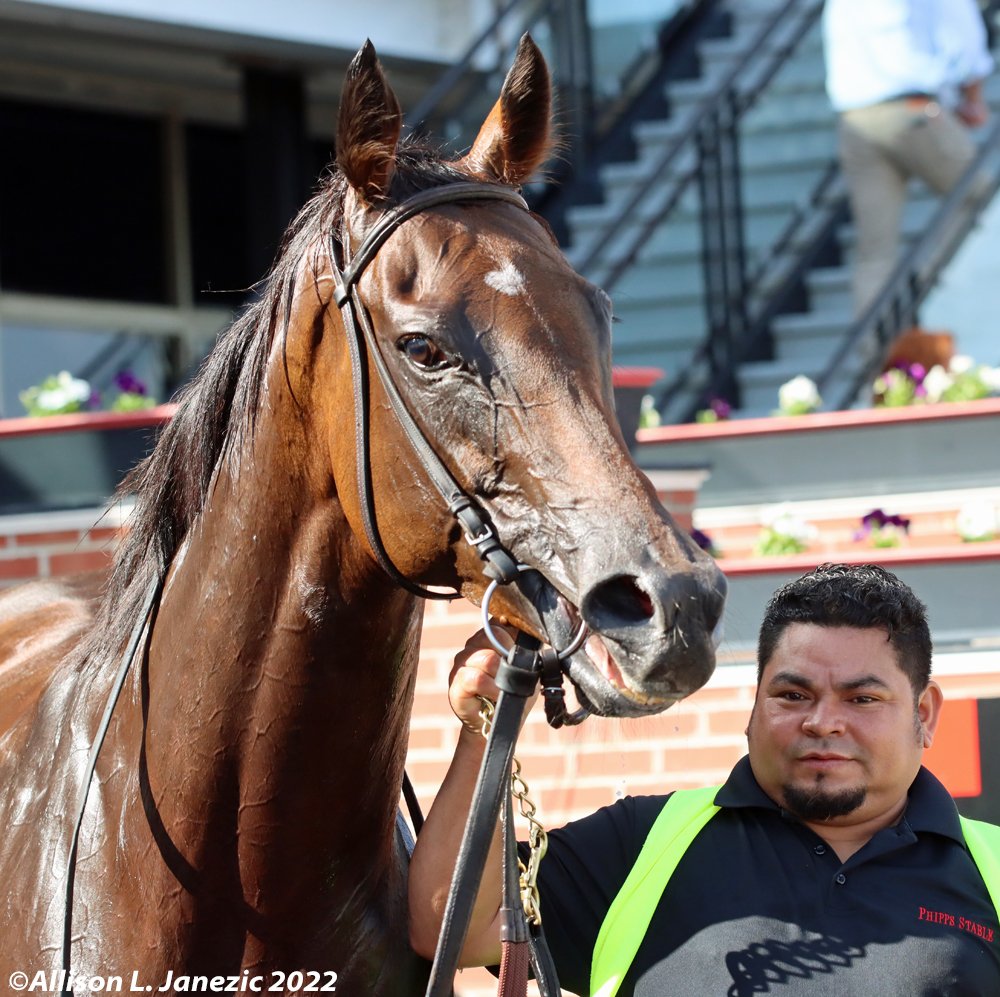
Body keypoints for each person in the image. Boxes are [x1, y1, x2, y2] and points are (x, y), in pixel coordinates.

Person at [408, 563, 1000, 996]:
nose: (822, 722)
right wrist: (486, 728)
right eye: (792, 694)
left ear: (923, 714)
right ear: (754, 707)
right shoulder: (643, 844)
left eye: (862, 697)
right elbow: (448, 930)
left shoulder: (993, 871)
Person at [822, 0, 995, 312]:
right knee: (980, 196)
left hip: (855, 119)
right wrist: (973, 97)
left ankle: (875, 351)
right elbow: (962, 29)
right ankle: (926, 284)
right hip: (912, 109)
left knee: (875, 253)